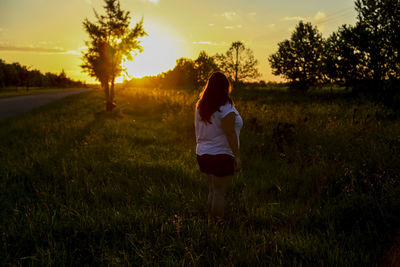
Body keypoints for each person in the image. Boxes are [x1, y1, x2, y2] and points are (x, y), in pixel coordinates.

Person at [195, 72, 243, 220]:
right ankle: (216, 226)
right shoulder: (226, 108)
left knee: (213, 190)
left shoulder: (202, 105)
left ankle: (210, 222)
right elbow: (230, 132)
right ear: (225, 87)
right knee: (219, 192)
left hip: (203, 154)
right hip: (221, 154)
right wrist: (237, 156)